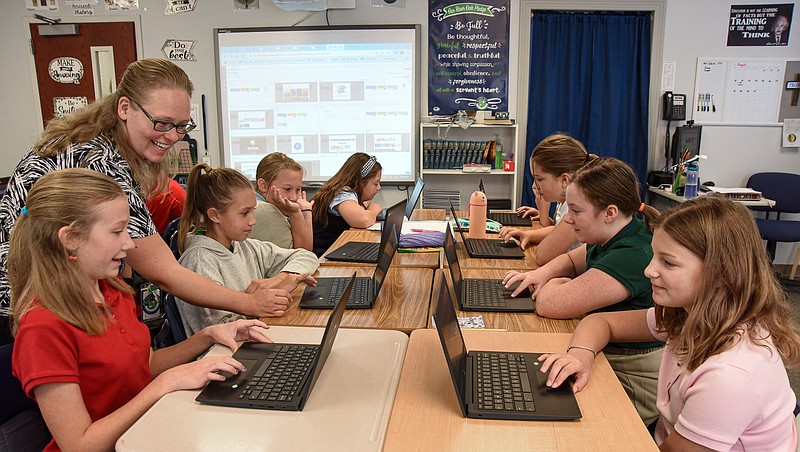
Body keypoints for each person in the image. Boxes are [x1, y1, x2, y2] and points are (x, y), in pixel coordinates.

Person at [0, 58, 285, 346]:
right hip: (26, 309)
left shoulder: (98, 141)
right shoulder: (100, 162)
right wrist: (250, 304)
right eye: (162, 123)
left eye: (182, 126)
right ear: (125, 108)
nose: (172, 136)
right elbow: (165, 274)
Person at [10, 168, 273, 451]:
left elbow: (144, 366)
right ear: (70, 238)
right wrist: (163, 385)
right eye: (117, 231)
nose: (130, 243)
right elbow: (79, 444)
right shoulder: (43, 328)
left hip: (149, 431)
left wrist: (208, 336)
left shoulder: (114, 291)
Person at [538, 196, 800, 450]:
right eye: (654, 256)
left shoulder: (730, 376)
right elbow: (601, 322)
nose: (649, 270)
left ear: (722, 273)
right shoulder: (691, 314)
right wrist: (581, 354)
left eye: (668, 262)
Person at [503, 157, 663, 425]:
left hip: (632, 375)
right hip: (607, 352)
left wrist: (555, 283)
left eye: (576, 211)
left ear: (609, 213)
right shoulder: (611, 234)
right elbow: (570, 261)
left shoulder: (633, 254)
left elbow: (549, 305)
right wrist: (538, 274)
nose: (568, 219)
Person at [176, 164, 319, 336]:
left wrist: (282, 278)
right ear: (215, 215)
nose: (253, 221)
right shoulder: (199, 260)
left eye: (253, 211)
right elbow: (220, 330)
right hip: (223, 353)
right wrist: (260, 303)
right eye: (244, 213)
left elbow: (307, 256)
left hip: (254, 335)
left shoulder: (244, 246)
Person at [499, 133, 596, 265]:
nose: (534, 186)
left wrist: (543, 205)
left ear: (564, 180)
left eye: (539, 179)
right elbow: (557, 230)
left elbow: (543, 255)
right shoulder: (565, 201)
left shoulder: (577, 208)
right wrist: (528, 234)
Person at [311, 153, 382, 257]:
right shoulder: (342, 193)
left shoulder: (344, 190)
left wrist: (366, 207)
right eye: (376, 183)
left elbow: (362, 206)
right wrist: (373, 212)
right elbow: (364, 220)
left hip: (333, 250)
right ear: (360, 182)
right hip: (323, 255)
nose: (379, 187)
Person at [249, 152, 313, 251]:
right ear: (263, 186)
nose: (294, 197)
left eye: (298, 190)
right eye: (287, 189)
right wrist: (295, 212)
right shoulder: (267, 211)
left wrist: (306, 211)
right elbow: (303, 254)